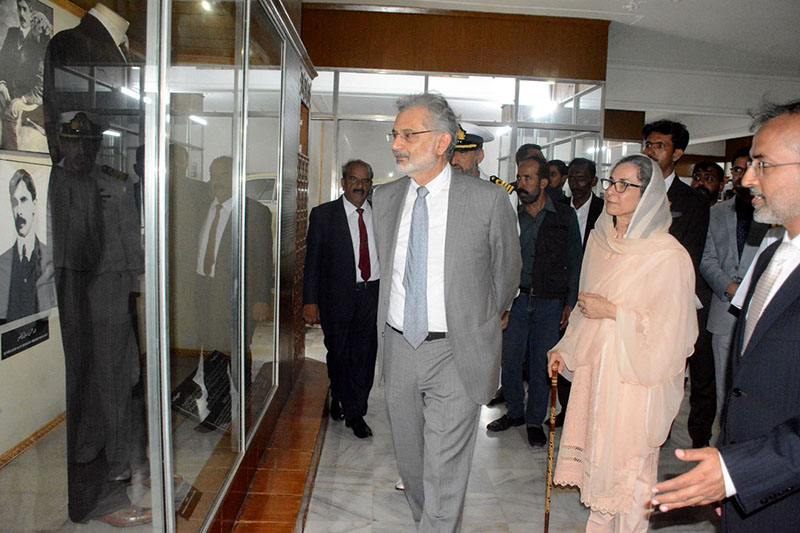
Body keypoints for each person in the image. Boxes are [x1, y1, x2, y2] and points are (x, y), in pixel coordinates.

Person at [651, 100, 800, 532]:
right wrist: (730, 476)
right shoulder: (774, 251)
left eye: (763, 164)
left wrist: (739, 472)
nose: (747, 178)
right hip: (755, 494)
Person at [374, 93, 520, 531]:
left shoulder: (487, 200)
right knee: (413, 461)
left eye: (408, 134)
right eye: (395, 134)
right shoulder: (385, 199)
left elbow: (506, 274)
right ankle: (430, 522)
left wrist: (476, 320)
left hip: (457, 350)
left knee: (444, 465)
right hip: (400, 345)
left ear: (442, 142)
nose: (397, 144)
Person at [548, 154, 697, 531]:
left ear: (646, 195)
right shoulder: (599, 241)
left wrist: (615, 311)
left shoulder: (667, 255)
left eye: (622, 185)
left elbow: (675, 330)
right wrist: (564, 351)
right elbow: (585, 308)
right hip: (598, 371)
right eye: (610, 182)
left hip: (635, 377)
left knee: (630, 474)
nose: (611, 191)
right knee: (599, 465)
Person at [49, 111, 149, 526]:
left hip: (107, 291)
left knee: (114, 377)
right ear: (61, 144)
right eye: (71, 142)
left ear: (95, 146)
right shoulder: (53, 184)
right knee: (82, 376)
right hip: (68, 292)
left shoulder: (115, 186)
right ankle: (91, 446)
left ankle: (119, 459)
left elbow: (132, 252)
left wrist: (131, 293)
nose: (79, 149)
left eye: (87, 142)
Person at [486, 154, 581, 447]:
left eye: (528, 179)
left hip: (550, 304)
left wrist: (571, 302)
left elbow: (576, 260)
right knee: (511, 361)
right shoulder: (510, 215)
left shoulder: (564, 216)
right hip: (515, 301)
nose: (521, 184)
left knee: (543, 365)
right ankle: (515, 411)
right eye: (519, 178)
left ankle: (533, 420)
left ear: (543, 182)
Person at [643, 119, 713, 448]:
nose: (651, 151)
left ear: (677, 153)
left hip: (681, 300)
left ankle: (699, 440)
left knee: (692, 373)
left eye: (660, 146)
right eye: (648, 145)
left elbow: (692, 255)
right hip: (639, 299)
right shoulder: (634, 192)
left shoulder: (693, 201)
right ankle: (652, 428)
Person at [303, 159, 379, 439]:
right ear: (344, 183)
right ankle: (338, 391)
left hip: (371, 295)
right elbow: (313, 262)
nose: (359, 185)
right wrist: (309, 301)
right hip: (336, 297)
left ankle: (356, 412)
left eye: (365, 180)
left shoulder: (379, 213)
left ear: (371, 185)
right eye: (354, 180)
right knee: (338, 353)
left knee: (364, 356)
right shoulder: (324, 215)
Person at [700, 147, 768, 415]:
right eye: (737, 170)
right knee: (723, 388)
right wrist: (729, 287)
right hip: (724, 308)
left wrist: (751, 291)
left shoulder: (774, 214)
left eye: (749, 168)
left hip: (761, 308)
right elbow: (706, 257)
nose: (743, 176)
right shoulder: (716, 213)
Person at [0, 169, 55, 322]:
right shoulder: (3, 263)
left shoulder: (48, 256)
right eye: (14, 203)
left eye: (23, 200)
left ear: (34, 203)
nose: (19, 212)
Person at [0, 0, 51, 150]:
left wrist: (23, 100)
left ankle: (10, 159)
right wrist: (2, 84)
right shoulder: (12, 33)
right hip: (7, 94)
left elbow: (42, 85)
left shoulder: (41, 40)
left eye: (25, 10)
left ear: (33, 12)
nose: (21, 14)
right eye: (19, 9)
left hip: (26, 99)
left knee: (10, 114)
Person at [450, 123, 518, 209]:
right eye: (450, 153)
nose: (453, 161)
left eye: (462, 153)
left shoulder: (502, 194)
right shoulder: (439, 190)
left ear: (479, 156)